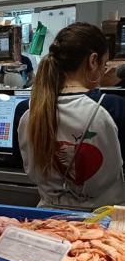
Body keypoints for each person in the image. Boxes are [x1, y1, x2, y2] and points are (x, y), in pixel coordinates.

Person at [16, 22, 125, 209]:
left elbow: (21, 163)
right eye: (104, 65)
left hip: (49, 222)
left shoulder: (26, 110)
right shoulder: (113, 107)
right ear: (93, 61)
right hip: (103, 227)